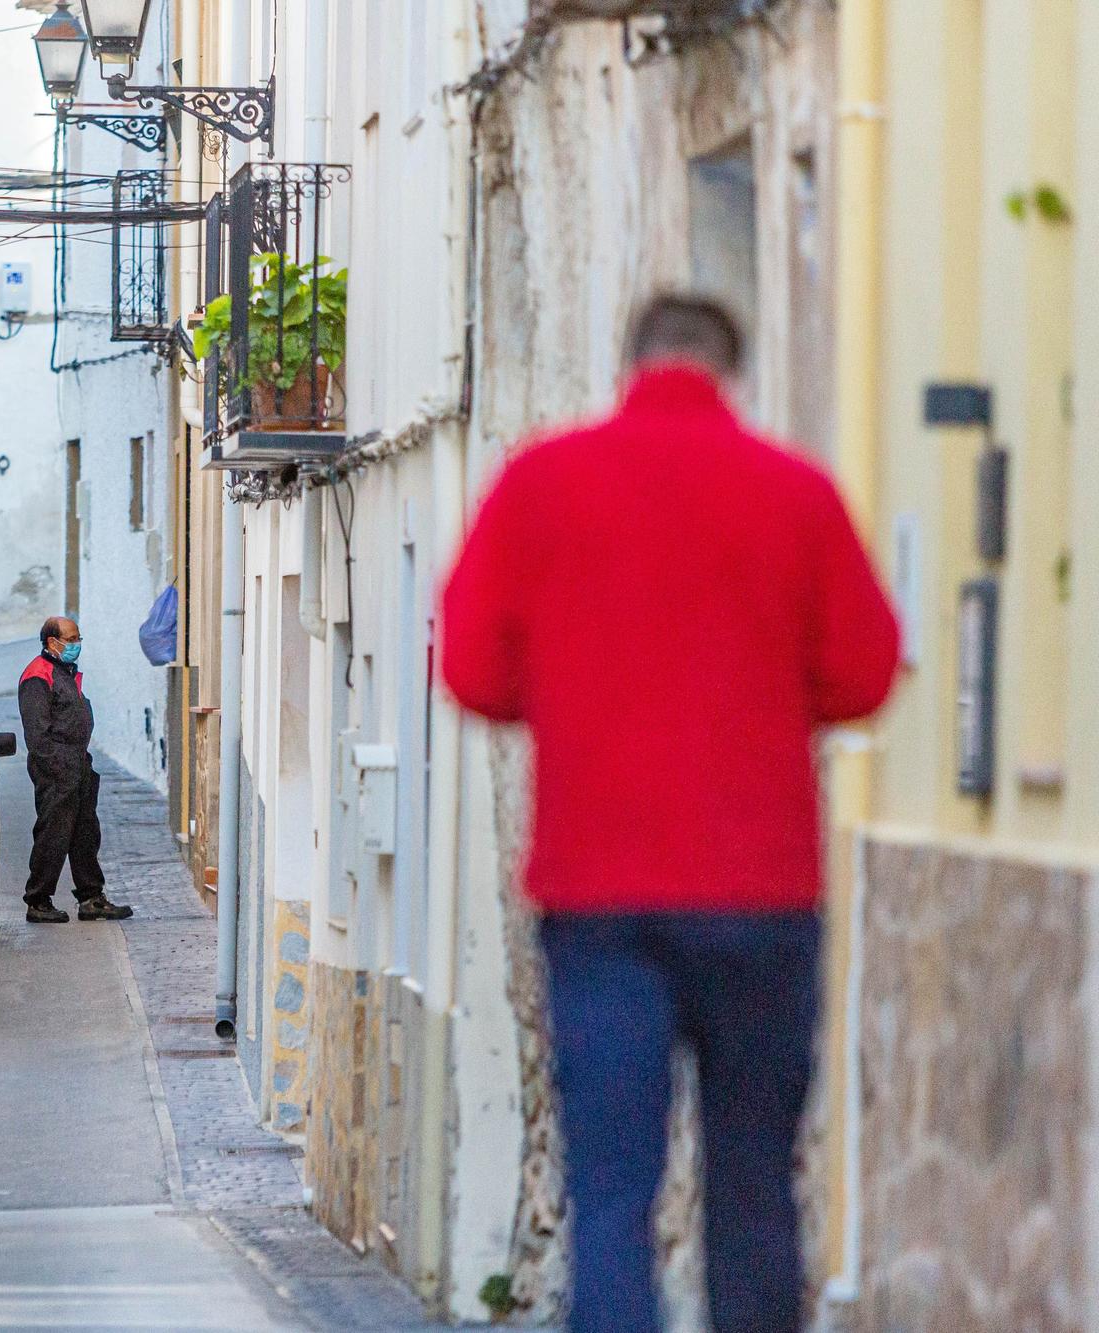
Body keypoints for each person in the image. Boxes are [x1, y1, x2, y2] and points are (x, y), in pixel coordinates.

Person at [438, 294, 899, 1333]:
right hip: (759, 899)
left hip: (597, 897)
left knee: (610, 1192)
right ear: (728, 373)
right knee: (750, 1183)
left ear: (628, 362)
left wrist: (563, 691)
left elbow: (470, 668)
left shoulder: (541, 484)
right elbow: (863, 672)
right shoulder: (795, 494)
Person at [16, 616, 133, 924]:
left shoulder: (65, 673)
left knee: (85, 833)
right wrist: (59, 768)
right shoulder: (38, 676)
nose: (76, 645)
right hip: (57, 767)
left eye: (78, 638)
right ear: (53, 643)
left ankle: (91, 898)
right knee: (53, 833)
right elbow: (37, 735)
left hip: (78, 763)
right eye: (71, 639)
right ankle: (38, 900)